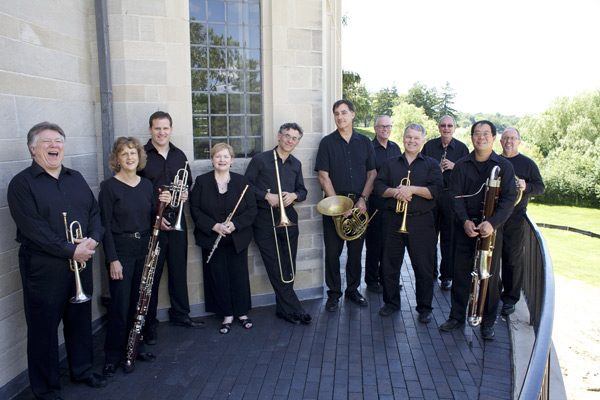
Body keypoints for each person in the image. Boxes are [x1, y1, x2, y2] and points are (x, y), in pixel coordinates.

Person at [7, 122, 106, 399]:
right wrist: (70, 250)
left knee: (80, 321)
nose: (54, 145)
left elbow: (94, 213)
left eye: (59, 140)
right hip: (43, 268)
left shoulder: (76, 178)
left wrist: (93, 240)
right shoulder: (21, 184)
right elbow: (33, 229)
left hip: (81, 262)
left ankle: (82, 370)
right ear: (32, 149)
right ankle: (46, 388)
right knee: (43, 330)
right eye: (47, 141)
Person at [99, 137, 172, 376]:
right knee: (120, 305)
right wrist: (113, 259)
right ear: (116, 159)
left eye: (133, 153)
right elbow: (105, 227)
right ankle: (113, 356)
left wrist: (163, 213)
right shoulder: (109, 187)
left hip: (144, 249)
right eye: (124, 154)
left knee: (141, 303)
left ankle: (135, 349)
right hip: (121, 251)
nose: (129, 158)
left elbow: (153, 216)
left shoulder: (146, 185)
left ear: (139, 157)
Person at [439, 120, 517, 341]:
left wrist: (492, 223)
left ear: (493, 137)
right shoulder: (462, 165)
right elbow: (454, 196)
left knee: (489, 278)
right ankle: (456, 317)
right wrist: (464, 221)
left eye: (485, 134)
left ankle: (487, 323)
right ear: (471, 137)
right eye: (476, 133)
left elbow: (509, 199)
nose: (480, 137)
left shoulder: (504, 167)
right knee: (461, 274)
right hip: (465, 228)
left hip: (491, 231)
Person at [139, 111, 203, 346]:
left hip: (177, 220)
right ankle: (149, 324)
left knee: (178, 269)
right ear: (150, 130)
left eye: (165, 128)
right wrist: (153, 216)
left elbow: (188, 181)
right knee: (152, 275)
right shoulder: (142, 156)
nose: (162, 132)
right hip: (153, 222)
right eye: (157, 128)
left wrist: (185, 192)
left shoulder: (180, 155)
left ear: (171, 129)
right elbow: (136, 190)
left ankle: (180, 315)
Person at [245, 123, 312, 325]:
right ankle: (296, 308)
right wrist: (266, 196)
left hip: (289, 219)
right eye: (287, 136)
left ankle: (284, 310)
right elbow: (246, 186)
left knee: (289, 265)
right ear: (278, 137)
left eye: (294, 138)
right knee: (276, 267)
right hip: (265, 220)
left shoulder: (296, 164)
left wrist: (294, 195)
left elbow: (303, 191)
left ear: (298, 141)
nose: (290, 140)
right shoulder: (260, 160)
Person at [374, 124, 443, 322]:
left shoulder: (431, 164)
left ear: (422, 140)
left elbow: (436, 191)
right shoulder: (390, 163)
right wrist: (396, 192)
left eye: (416, 138)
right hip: (393, 220)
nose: (412, 141)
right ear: (403, 138)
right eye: (408, 137)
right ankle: (391, 303)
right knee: (389, 265)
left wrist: (411, 189)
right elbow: (379, 186)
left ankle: (424, 307)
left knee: (423, 267)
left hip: (421, 222)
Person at [315, 99, 377, 312]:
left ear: (352, 114)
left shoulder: (366, 142)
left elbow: (372, 173)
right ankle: (333, 294)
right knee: (332, 253)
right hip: (334, 206)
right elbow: (323, 176)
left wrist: (363, 199)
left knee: (355, 251)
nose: (339, 117)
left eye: (343, 112)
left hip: (359, 206)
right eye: (336, 113)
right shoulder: (327, 143)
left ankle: (352, 290)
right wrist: (339, 206)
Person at [189, 143, 257, 334]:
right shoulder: (202, 181)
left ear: (232, 160)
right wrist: (214, 226)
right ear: (212, 160)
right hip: (212, 238)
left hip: (237, 238)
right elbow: (194, 209)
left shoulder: (242, 182)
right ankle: (226, 314)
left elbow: (252, 210)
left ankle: (242, 313)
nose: (222, 160)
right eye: (218, 156)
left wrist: (235, 224)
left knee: (239, 275)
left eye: (226, 157)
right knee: (218, 276)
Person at [499, 127, 545, 316]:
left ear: (519, 141)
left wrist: (526, 186)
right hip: (493, 217)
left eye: (513, 138)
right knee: (490, 259)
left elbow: (540, 188)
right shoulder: (494, 160)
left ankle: (510, 299)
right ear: (500, 141)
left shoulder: (527, 164)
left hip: (515, 219)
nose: (509, 141)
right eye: (506, 138)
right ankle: (491, 294)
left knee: (512, 260)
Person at [422, 115, 469, 290]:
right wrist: (436, 170)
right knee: (429, 237)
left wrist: (455, 166)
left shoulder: (462, 149)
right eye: (443, 125)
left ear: (454, 128)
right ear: (438, 127)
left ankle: (446, 276)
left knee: (449, 238)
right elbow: (422, 169)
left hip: (450, 198)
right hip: (432, 197)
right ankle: (431, 271)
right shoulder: (429, 146)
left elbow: (468, 174)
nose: (446, 128)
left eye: (450, 125)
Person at [364, 115, 402, 294]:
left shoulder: (395, 147)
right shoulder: (369, 148)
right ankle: (371, 281)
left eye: (388, 126)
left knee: (389, 243)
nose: (385, 129)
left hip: (392, 201)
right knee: (374, 243)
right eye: (381, 126)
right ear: (375, 128)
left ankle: (385, 278)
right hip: (375, 201)